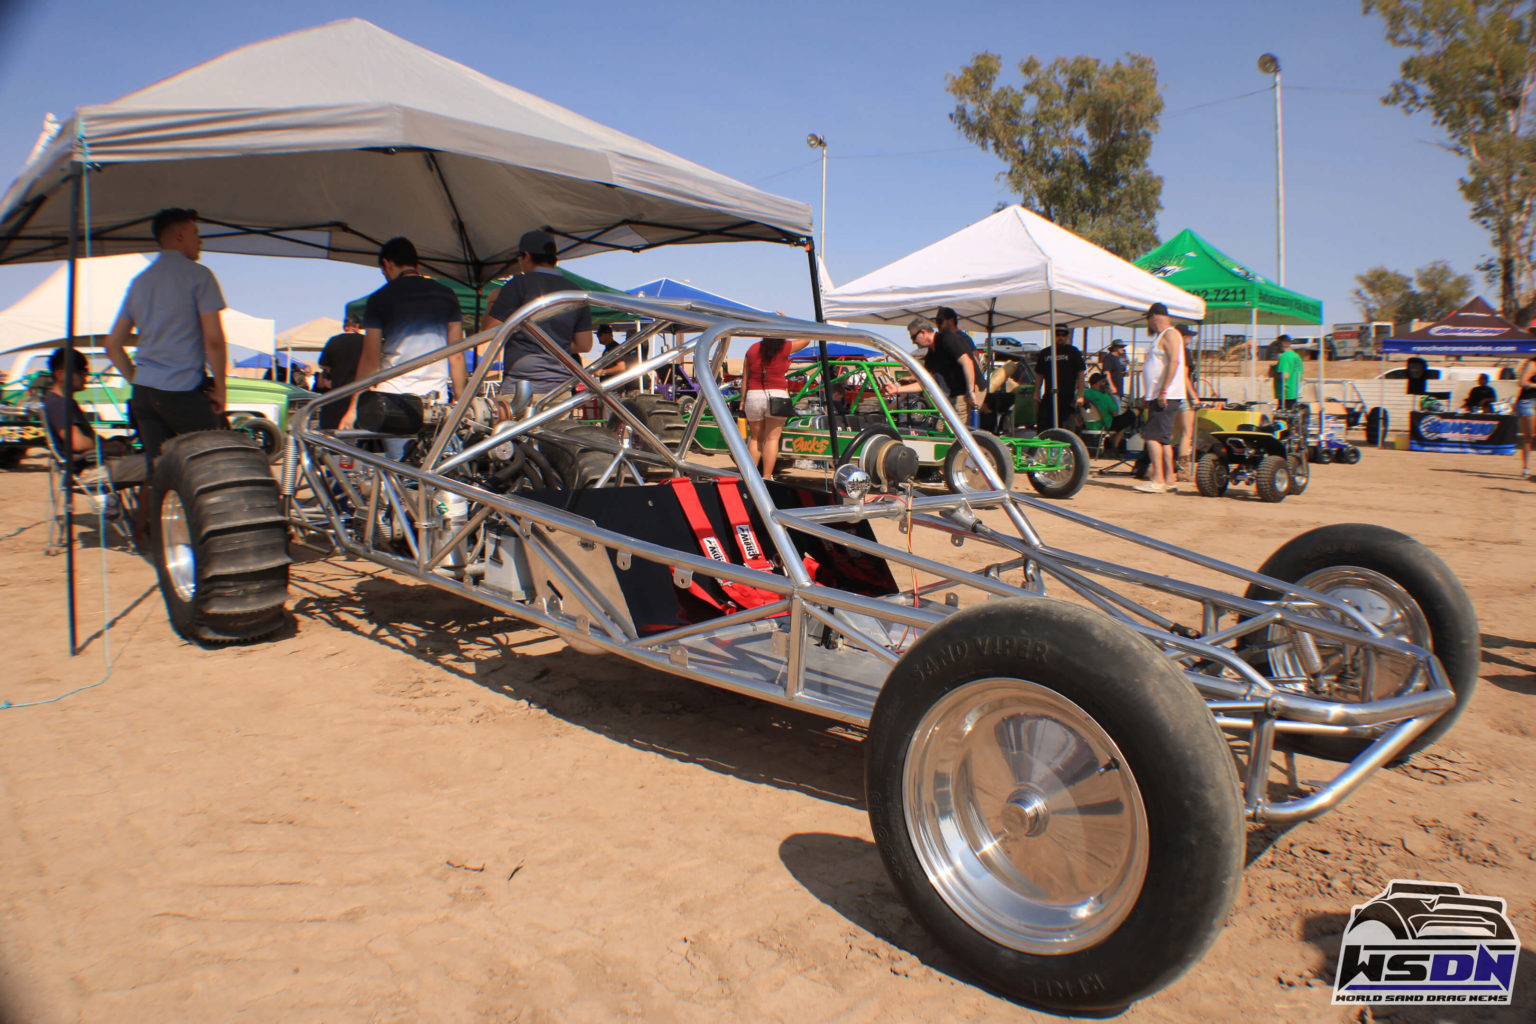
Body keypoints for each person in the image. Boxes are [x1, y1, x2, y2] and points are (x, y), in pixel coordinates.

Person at [103, 207, 227, 461]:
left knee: (159, 474)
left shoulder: (140, 282)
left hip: (144, 393)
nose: (200, 241)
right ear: (179, 235)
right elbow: (213, 340)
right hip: (180, 389)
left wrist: (135, 378)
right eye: (195, 233)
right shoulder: (199, 276)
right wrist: (221, 388)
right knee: (216, 461)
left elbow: (112, 345)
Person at [338, 238, 469, 456]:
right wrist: (462, 400)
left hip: (394, 401)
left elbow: (370, 358)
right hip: (435, 402)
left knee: (399, 473)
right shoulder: (446, 294)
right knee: (436, 475)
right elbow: (456, 354)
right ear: (416, 264)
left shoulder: (380, 298)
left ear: (388, 264)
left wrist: (353, 407)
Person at [482, 229, 593, 403]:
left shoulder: (518, 285)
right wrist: (554, 344)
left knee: (514, 431)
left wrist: (492, 300)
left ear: (526, 256)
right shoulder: (576, 292)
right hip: (559, 390)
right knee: (556, 431)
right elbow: (585, 345)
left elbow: (488, 331)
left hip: (519, 388)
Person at [883, 313, 982, 422]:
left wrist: (971, 391)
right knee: (941, 428)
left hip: (971, 387)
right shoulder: (931, 356)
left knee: (958, 427)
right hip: (955, 392)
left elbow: (967, 361)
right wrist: (897, 389)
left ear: (923, 332)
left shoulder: (946, 338)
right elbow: (926, 383)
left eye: (914, 337)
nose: (913, 341)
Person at [1136, 302, 1188, 493]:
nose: (1148, 324)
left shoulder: (1170, 334)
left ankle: (1158, 479)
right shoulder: (1161, 336)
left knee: (1152, 437)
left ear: (1154, 317)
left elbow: (1174, 361)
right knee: (1164, 439)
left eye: (1148, 319)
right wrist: (1148, 393)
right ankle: (1170, 479)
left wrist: (1163, 390)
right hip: (1157, 395)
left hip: (1165, 395)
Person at [741, 335, 811, 478]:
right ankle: (767, 476)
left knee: (755, 439)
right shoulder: (784, 347)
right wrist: (787, 323)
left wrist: (743, 399)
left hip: (754, 396)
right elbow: (806, 339)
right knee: (772, 439)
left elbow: (745, 379)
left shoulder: (752, 349)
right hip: (778, 395)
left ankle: (749, 478)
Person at [1034, 324, 1087, 431]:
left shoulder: (1073, 351)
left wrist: (1080, 394)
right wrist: (1036, 393)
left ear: (1067, 336)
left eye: (1063, 335)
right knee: (1043, 425)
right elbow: (1040, 375)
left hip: (1067, 396)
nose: (1060, 337)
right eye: (1058, 335)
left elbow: (1081, 373)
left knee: (1066, 426)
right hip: (1049, 395)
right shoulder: (1045, 353)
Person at [1173, 322, 1202, 479]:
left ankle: (1158, 466)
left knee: (1169, 434)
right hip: (1183, 395)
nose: (1190, 338)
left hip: (1170, 394)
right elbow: (1184, 376)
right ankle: (1183, 468)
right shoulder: (1185, 352)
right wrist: (1193, 396)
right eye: (1189, 336)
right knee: (1186, 433)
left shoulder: (1170, 350)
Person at [1083, 371, 1137, 450]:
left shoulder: (1084, 393)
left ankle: (1114, 444)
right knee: (1131, 415)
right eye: (1102, 382)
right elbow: (1116, 412)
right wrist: (1110, 395)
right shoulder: (1104, 397)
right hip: (1106, 424)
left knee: (1123, 423)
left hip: (1088, 424)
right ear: (1095, 385)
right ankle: (1116, 445)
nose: (1104, 384)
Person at [1516, 351, 1536, 479]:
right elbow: (1522, 382)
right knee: (1529, 436)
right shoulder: (1532, 364)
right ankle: (1525, 467)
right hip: (1528, 401)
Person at [1270, 334, 1303, 409]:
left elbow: (1284, 375)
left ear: (1281, 344)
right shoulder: (1296, 356)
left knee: (1282, 418)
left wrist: (1273, 373)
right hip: (1294, 392)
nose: (1275, 347)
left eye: (1276, 344)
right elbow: (1299, 374)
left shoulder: (1284, 357)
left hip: (1285, 393)